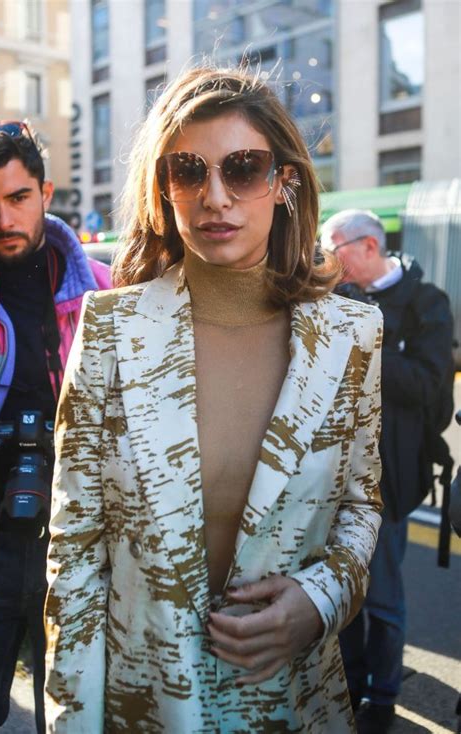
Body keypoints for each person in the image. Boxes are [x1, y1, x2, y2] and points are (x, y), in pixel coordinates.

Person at [44, 66, 383, 733]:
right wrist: (70, 721)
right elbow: (74, 552)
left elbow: (361, 508)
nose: (215, 195)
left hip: (291, 703)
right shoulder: (110, 328)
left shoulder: (352, 337)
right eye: (189, 170)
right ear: (163, 187)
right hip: (143, 708)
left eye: (244, 168)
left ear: (283, 184)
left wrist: (320, 601)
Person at [0, 121, 111, 734]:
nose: (3, 219)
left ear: (46, 191)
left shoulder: (106, 292)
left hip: (79, 543)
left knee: (72, 718)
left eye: (17, 198)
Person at [320, 209, 454, 733]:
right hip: (333, 476)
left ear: (369, 245)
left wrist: (368, 342)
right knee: (344, 594)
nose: (329, 260)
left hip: (392, 479)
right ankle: (350, 685)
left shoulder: (427, 303)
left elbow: (430, 389)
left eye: (336, 248)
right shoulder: (335, 299)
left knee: (384, 598)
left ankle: (384, 697)